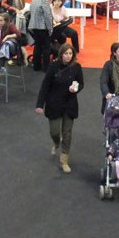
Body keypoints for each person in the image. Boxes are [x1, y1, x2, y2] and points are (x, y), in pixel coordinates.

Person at [35, 43, 84, 174]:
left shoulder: (76, 67)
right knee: (54, 131)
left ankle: (64, 161)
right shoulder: (53, 66)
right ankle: (56, 142)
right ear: (61, 54)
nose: (68, 56)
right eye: (66, 53)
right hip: (54, 104)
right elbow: (45, 85)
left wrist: (76, 89)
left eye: (70, 54)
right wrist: (39, 104)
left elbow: (81, 83)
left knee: (67, 133)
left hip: (69, 104)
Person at [28, 0, 54, 71]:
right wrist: (50, 29)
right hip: (43, 28)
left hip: (34, 27)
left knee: (37, 47)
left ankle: (36, 66)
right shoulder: (44, 1)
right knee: (46, 48)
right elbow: (47, 16)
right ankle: (46, 67)